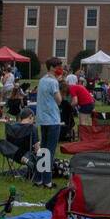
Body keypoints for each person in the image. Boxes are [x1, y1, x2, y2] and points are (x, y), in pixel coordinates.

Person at [35, 58, 63, 189]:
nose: (60, 68)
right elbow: (59, 100)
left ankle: (39, 178)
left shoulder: (41, 80)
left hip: (43, 119)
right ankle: (48, 181)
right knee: (50, 151)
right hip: (53, 119)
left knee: (43, 150)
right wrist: (58, 83)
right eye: (58, 66)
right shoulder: (53, 82)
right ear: (52, 67)